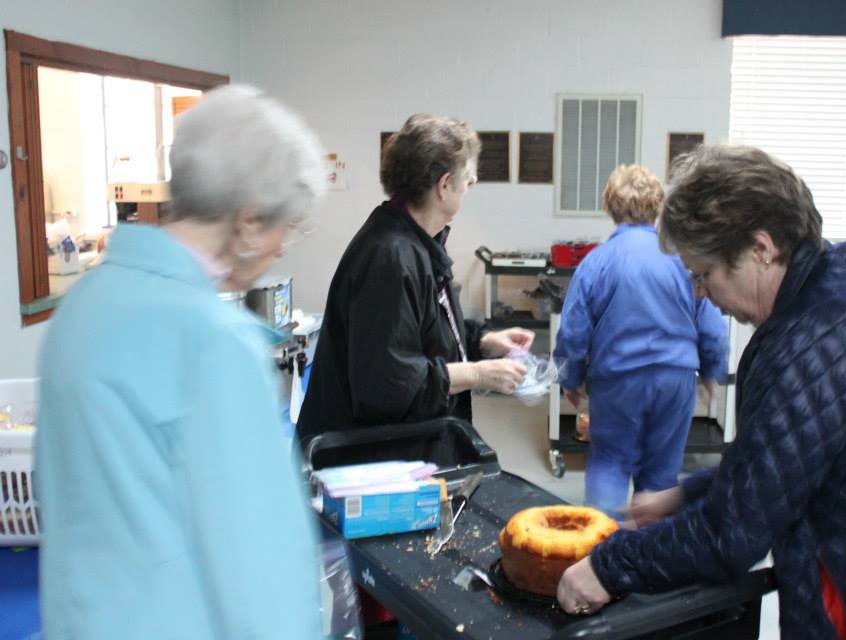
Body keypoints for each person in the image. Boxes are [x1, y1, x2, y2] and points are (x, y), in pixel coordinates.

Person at [556, 145, 846, 639]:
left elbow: (731, 537)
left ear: (760, 249)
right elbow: (789, 457)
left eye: (704, 274)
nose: (701, 293)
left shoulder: (809, 344)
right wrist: (685, 494)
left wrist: (606, 568)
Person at [35, 86, 331, 639]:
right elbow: (261, 570)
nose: (283, 247)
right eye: (284, 227)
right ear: (247, 221)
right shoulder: (214, 341)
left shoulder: (83, 305)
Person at [296, 114, 533, 459]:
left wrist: (481, 341)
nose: (472, 183)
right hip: (367, 462)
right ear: (445, 185)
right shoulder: (390, 258)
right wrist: (478, 374)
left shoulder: (417, 242)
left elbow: (421, 333)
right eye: (468, 178)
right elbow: (389, 387)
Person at [553, 164, 728, 516]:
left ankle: (603, 551)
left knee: (610, 464)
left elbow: (573, 331)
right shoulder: (683, 261)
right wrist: (713, 370)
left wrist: (570, 381)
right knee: (662, 473)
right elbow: (711, 326)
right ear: (659, 207)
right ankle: (652, 555)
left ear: (610, 207)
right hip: (675, 381)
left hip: (618, 382)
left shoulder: (596, 262)